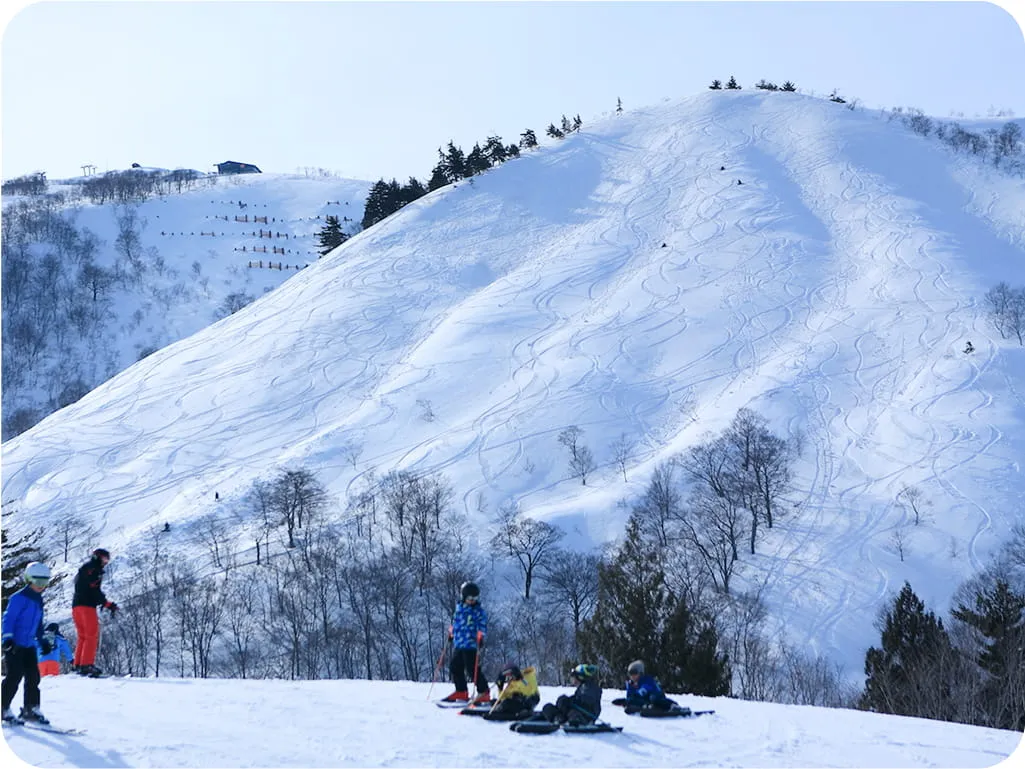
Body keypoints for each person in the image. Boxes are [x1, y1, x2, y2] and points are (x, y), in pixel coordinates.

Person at [2, 562, 53, 724]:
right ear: (28, 580)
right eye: (38, 582)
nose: (41, 586)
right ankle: (3, 708)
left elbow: (38, 623)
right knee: (14, 676)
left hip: (29, 645)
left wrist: (42, 640)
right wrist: (7, 638)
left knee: (33, 677)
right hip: (15, 645)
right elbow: (8, 619)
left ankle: (31, 708)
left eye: (44, 583)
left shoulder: (38, 600)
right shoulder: (18, 598)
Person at [72, 548, 118, 677]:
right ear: (97, 557)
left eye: (107, 559)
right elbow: (94, 590)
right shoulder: (94, 570)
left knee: (83, 636)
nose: (106, 562)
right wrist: (106, 603)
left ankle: (78, 663)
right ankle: (86, 665)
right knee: (91, 635)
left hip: (76, 605)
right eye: (104, 559)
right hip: (87, 606)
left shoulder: (84, 569)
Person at [441, 581, 489, 704]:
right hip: (460, 643)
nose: (472, 600)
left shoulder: (478, 611)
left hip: (471, 644)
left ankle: (484, 691)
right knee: (454, 667)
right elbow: (457, 623)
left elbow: (482, 624)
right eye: (470, 598)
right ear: (464, 597)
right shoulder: (459, 609)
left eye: (475, 598)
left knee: (472, 669)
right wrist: (452, 632)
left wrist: (480, 635)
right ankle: (461, 691)